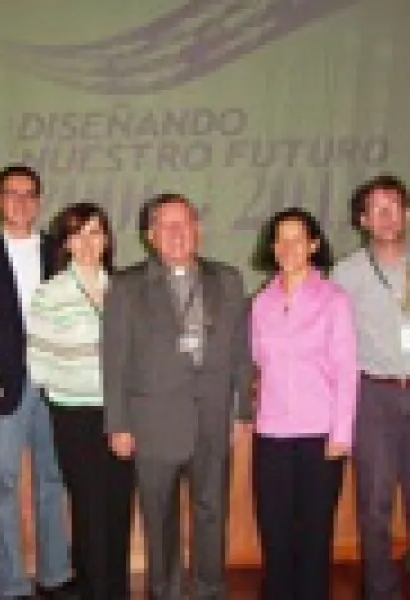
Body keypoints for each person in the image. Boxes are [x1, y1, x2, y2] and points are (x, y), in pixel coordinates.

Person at [102, 193, 253, 600]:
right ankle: (164, 592)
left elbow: (241, 352)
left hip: (213, 418)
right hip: (154, 423)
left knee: (212, 513)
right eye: (166, 226)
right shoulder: (126, 286)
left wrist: (242, 410)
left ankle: (209, 590)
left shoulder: (228, 280)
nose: (176, 233)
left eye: (184, 223)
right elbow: (114, 360)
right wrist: (118, 424)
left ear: (197, 229)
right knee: (159, 519)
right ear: (150, 236)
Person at [332, 175, 410, 600]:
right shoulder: (346, 273)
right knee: (374, 505)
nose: (387, 216)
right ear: (363, 220)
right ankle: (380, 589)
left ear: (408, 213)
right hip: (373, 395)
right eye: (377, 208)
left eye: (394, 206)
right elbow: (338, 336)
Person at [0, 164, 73, 599]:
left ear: (39, 202)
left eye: (29, 194)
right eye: (12, 193)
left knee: (53, 479)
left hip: (55, 384)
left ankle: (55, 573)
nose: (21, 201)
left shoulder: (61, 253)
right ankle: (11, 583)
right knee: (3, 484)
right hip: (2, 388)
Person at [27, 202, 134, 600]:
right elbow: (38, 362)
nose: (88, 242)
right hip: (74, 415)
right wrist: (68, 391)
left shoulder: (123, 289)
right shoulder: (50, 293)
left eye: (95, 232)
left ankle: (116, 591)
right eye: (78, 234)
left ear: (107, 239)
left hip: (122, 413)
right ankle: (94, 589)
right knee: (88, 508)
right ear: (66, 243)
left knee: (118, 507)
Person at [250, 208, 358, 600]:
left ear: (313, 245)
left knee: (314, 537)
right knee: (275, 534)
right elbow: (257, 363)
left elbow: (347, 370)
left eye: (297, 239)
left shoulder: (334, 300)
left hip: (320, 435)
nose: (288, 247)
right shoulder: (261, 302)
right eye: (281, 239)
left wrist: (341, 434)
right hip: (271, 435)